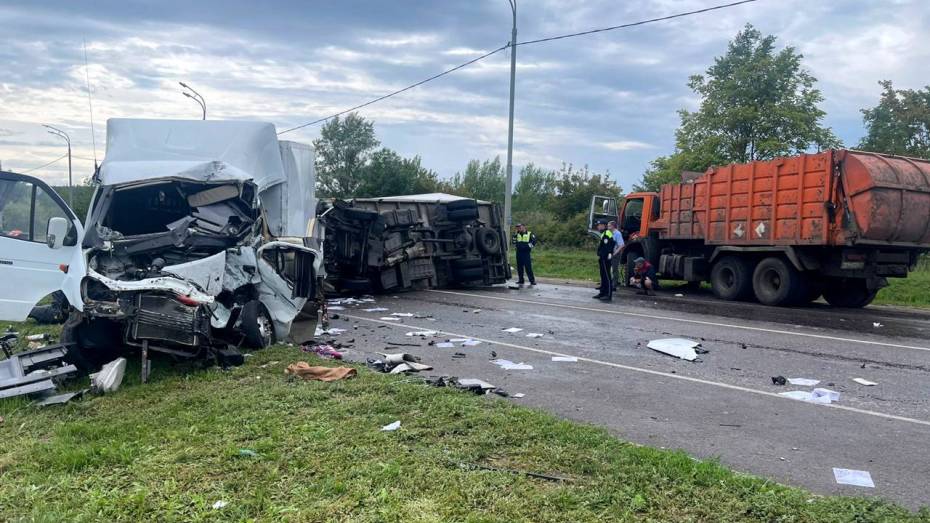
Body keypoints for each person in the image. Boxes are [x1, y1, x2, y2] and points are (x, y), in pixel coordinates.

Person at [593, 219, 614, 301]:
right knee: (603, 276)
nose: (598, 227)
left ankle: (608, 294)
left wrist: (607, 254)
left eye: (599, 225)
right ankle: (602, 292)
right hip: (603, 258)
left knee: (607, 276)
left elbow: (609, 246)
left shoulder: (607, 234)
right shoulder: (604, 233)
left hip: (605, 258)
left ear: (603, 225)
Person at [607, 220, 624, 291]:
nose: (608, 227)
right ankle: (608, 283)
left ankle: (614, 285)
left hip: (615, 254)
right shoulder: (609, 233)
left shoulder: (617, 233)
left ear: (613, 226)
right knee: (607, 268)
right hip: (609, 253)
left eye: (609, 226)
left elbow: (621, 245)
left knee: (614, 269)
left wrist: (615, 253)